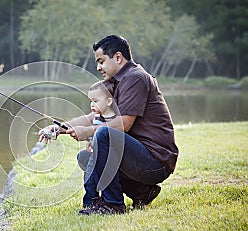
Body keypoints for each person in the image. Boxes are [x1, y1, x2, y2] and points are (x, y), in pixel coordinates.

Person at [39, 35, 178, 215]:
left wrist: (88, 132)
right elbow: (93, 116)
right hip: (139, 156)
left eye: (101, 61)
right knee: (86, 158)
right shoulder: (118, 81)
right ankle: (142, 192)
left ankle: (113, 205)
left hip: (156, 160)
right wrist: (60, 128)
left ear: (118, 57)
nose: (98, 67)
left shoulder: (135, 78)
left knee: (104, 135)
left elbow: (124, 124)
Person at [78, 80, 118, 208]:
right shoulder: (97, 116)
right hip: (95, 155)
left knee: (91, 178)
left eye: (95, 101)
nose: (92, 105)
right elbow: (95, 134)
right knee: (89, 179)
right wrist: (90, 141)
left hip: (108, 158)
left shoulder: (114, 119)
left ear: (108, 101)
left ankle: (90, 203)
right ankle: (91, 202)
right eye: (90, 101)